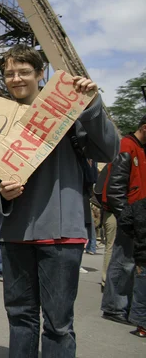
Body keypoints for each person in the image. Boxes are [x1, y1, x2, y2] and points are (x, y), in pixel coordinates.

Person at [0, 44, 118, 357]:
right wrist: (1, 196)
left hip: (62, 235)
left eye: (24, 71)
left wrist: (91, 105)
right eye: (9, 73)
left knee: (58, 323)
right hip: (15, 234)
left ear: (41, 75)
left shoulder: (67, 115)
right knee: (20, 319)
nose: (16, 78)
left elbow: (109, 150)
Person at [101, 115, 146, 324]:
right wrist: (127, 218)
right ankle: (114, 308)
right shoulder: (127, 147)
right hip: (130, 216)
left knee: (129, 261)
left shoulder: (137, 148)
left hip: (135, 215)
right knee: (123, 261)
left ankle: (120, 306)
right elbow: (116, 188)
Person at [117, 196, 146, 337]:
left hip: (143, 253)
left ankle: (142, 326)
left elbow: (124, 220)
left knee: (141, 292)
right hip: (142, 254)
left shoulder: (139, 205)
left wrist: (136, 235)